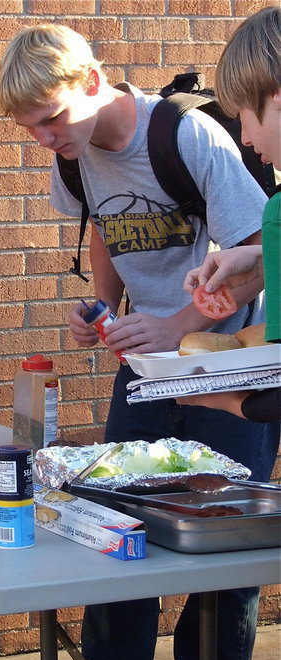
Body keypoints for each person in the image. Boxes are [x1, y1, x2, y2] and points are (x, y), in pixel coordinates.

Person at [0, 21, 280, 660]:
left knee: (225, 555)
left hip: (228, 374)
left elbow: (259, 251)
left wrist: (177, 324)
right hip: (145, 374)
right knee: (112, 536)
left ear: (92, 80)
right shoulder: (73, 156)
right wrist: (102, 305)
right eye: (30, 128)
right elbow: (105, 235)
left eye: (52, 118)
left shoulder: (187, 137)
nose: (46, 137)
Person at [180, 6, 280, 422]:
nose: (245, 137)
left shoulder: (275, 215)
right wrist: (259, 256)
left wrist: (218, 399)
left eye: (243, 117)